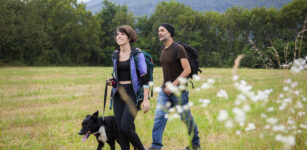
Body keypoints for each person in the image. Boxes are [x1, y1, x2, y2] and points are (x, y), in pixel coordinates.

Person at [148, 24, 201, 150]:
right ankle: (155, 146)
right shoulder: (162, 49)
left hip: (179, 91)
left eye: (162, 30)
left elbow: (187, 70)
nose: (159, 33)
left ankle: (195, 144)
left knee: (186, 118)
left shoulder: (179, 48)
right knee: (159, 117)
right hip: (164, 91)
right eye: (158, 31)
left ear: (169, 33)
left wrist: (173, 84)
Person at [108, 25, 150, 150]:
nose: (118, 36)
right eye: (117, 34)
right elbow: (118, 76)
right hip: (118, 94)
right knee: (120, 131)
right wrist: (112, 82)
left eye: (122, 34)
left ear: (129, 37)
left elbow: (144, 78)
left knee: (126, 127)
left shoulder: (137, 55)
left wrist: (146, 99)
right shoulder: (115, 55)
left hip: (133, 94)